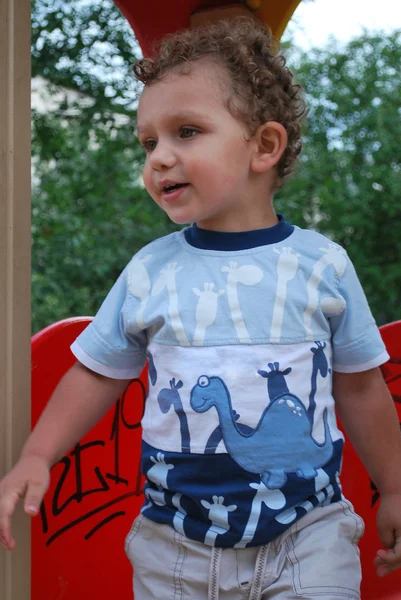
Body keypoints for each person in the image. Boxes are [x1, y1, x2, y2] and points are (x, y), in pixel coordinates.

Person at [1, 17, 401, 599]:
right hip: (175, 548)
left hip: (307, 539)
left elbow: (362, 387)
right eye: (148, 142)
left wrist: (394, 487)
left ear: (264, 146)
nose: (159, 157)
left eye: (186, 131)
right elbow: (96, 372)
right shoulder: (150, 271)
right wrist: (37, 455)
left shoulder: (324, 266)